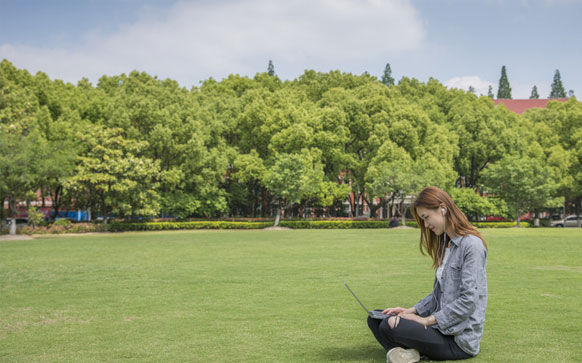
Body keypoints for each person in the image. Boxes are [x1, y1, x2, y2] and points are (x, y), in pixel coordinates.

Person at [367, 186, 488, 363]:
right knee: (376, 318)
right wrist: (412, 310)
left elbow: (468, 301)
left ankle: (407, 352)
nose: (425, 225)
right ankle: (410, 354)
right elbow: (439, 295)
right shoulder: (446, 246)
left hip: (457, 340)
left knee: (390, 325)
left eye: (426, 217)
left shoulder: (472, 246)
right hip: (439, 329)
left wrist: (425, 321)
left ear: (443, 209)